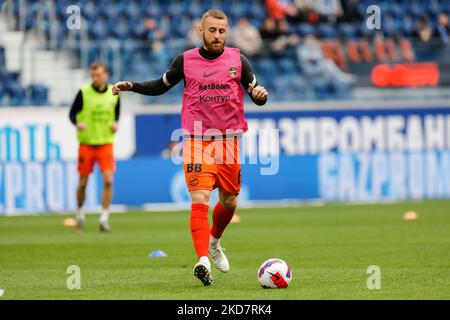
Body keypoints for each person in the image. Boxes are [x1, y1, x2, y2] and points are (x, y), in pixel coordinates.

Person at [112, 9, 268, 286]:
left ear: (226, 32)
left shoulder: (239, 61)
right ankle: (202, 261)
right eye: (212, 31)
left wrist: (259, 95)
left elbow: (256, 92)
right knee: (199, 200)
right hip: (196, 140)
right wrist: (132, 86)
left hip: (230, 142)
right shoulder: (185, 61)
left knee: (230, 202)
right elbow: (160, 86)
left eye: (221, 31)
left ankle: (214, 243)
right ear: (201, 30)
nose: (217, 36)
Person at [69, 62, 120, 233]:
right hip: (87, 144)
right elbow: (72, 113)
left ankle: (104, 219)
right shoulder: (84, 92)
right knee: (83, 183)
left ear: (105, 74)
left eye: (98, 75)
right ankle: (80, 215)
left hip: (105, 143)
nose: (95, 78)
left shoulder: (115, 93)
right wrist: (77, 123)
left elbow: (116, 113)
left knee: (108, 180)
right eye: (93, 75)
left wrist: (115, 123)